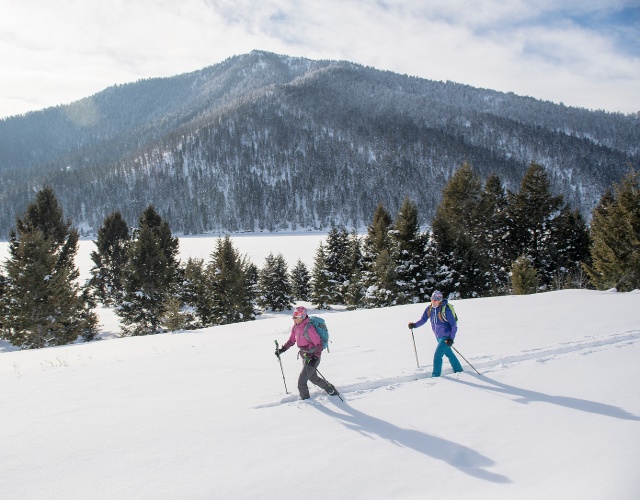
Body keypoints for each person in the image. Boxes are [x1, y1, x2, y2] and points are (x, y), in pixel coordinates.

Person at [275, 306, 339, 400]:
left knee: (301, 382)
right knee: (313, 378)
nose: (293, 318)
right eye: (293, 316)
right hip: (305, 356)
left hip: (313, 356)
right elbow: (292, 340)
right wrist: (282, 349)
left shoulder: (309, 328)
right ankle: (331, 389)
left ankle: (306, 400)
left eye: (296, 316)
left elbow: (319, 344)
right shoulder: (296, 327)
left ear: (302, 316)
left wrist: (315, 358)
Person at [408, 290, 463, 377]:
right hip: (438, 336)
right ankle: (459, 370)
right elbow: (423, 320)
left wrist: (451, 338)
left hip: (446, 337)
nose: (434, 300)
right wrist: (414, 325)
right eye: (433, 298)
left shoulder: (446, 310)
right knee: (449, 354)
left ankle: (435, 376)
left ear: (440, 300)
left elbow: (454, 326)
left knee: (437, 356)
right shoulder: (429, 309)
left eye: (436, 299)